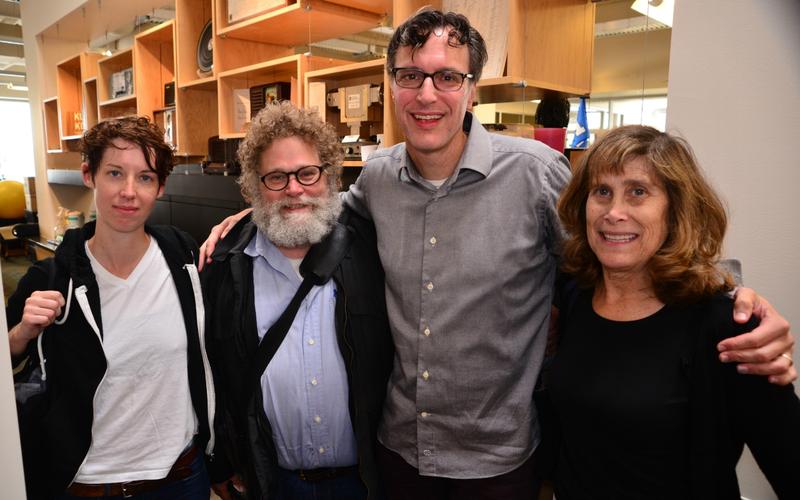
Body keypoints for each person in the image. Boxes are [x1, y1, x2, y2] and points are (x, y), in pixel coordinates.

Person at [199, 8, 795, 499]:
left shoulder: (535, 175)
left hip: (500, 464)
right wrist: (249, 216)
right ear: (393, 85)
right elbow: (308, 204)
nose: (426, 93)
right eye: (410, 76)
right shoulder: (376, 180)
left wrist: (732, 295)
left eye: (446, 77)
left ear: (471, 88)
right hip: (397, 454)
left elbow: (619, 247)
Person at [549, 124, 800, 498]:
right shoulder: (573, 295)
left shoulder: (726, 327)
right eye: (602, 191)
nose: (614, 212)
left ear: (674, 210)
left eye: (637, 192)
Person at [7, 116, 215, 499]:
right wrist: (21, 334)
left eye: (145, 178)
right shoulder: (51, 277)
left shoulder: (185, 261)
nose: (129, 192)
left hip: (182, 477)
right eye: (115, 173)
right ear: (90, 175)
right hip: (89, 484)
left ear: (161, 186)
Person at [203, 101, 393, 500]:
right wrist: (222, 458)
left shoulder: (371, 252)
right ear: (256, 186)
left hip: (365, 481)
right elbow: (216, 373)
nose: (294, 189)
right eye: (276, 177)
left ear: (329, 177)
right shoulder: (225, 266)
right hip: (273, 483)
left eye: (307, 173)